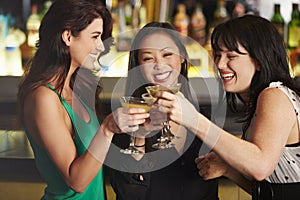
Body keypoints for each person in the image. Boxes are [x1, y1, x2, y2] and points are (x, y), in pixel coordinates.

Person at [155, 15, 300, 199]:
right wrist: (229, 170)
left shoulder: (274, 95)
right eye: (217, 55)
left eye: (231, 56)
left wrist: (193, 119)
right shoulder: (259, 99)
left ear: (259, 60)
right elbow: (275, 189)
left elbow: (260, 166)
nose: (220, 64)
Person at [17, 0, 150, 199]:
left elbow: (95, 158)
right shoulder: (43, 98)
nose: (100, 46)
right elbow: (76, 181)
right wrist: (108, 128)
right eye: (95, 37)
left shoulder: (78, 88)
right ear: (68, 36)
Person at [106, 22, 219, 200]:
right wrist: (139, 136)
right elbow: (129, 195)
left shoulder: (204, 119)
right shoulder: (124, 123)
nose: (159, 65)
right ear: (138, 65)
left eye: (167, 54)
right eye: (148, 58)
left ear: (182, 57)